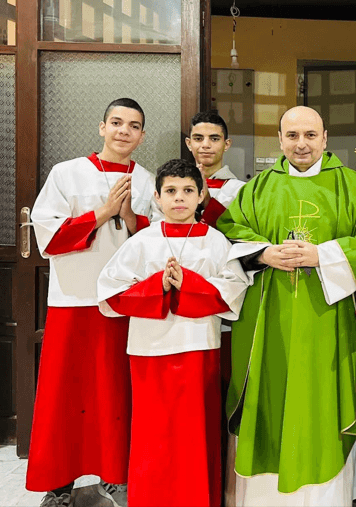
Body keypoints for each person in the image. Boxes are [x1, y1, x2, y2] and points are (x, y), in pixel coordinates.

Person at [216, 105, 356, 507]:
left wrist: (323, 255)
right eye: (292, 136)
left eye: (310, 135)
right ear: (280, 139)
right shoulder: (257, 188)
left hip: (328, 322)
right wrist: (265, 253)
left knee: (320, 402)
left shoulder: (353, 186)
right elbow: (229, 234)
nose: (301, 144)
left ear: (325, 139)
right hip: (270, 322)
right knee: (271, 397)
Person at [96, 159, 250, 507]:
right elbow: (109, 292)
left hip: (199, 349)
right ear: (157, 196)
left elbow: (234, 290)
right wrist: (157, 285)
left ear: (201, 196)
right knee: (154, 436)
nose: (179, 198)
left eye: (187, 191)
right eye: (170, 191)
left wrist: (189, 284)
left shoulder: (215, 241)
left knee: (194, 435)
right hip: (149, 352)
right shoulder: (142, 242)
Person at [26, 98, 156, 507]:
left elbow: (157, 241)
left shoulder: (148, 179)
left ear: (142, 135)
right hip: (73, 299)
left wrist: (134, 220)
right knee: (63, 396)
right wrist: (102, 213)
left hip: (122, 301)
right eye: (116, 123)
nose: (123, 131)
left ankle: (115, 476)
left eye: (133, 126)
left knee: (115, 394)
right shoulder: (67, 172)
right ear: (101, 127)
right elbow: (46, 235)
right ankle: (59, 483)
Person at [186, 111, 245, 226]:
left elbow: (239, 231)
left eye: (214, 139)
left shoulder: (241, 190)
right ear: (189, 144)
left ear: (227, 144)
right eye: (198, 138)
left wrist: (206, 199)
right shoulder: (175, 186)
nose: (206, 145)